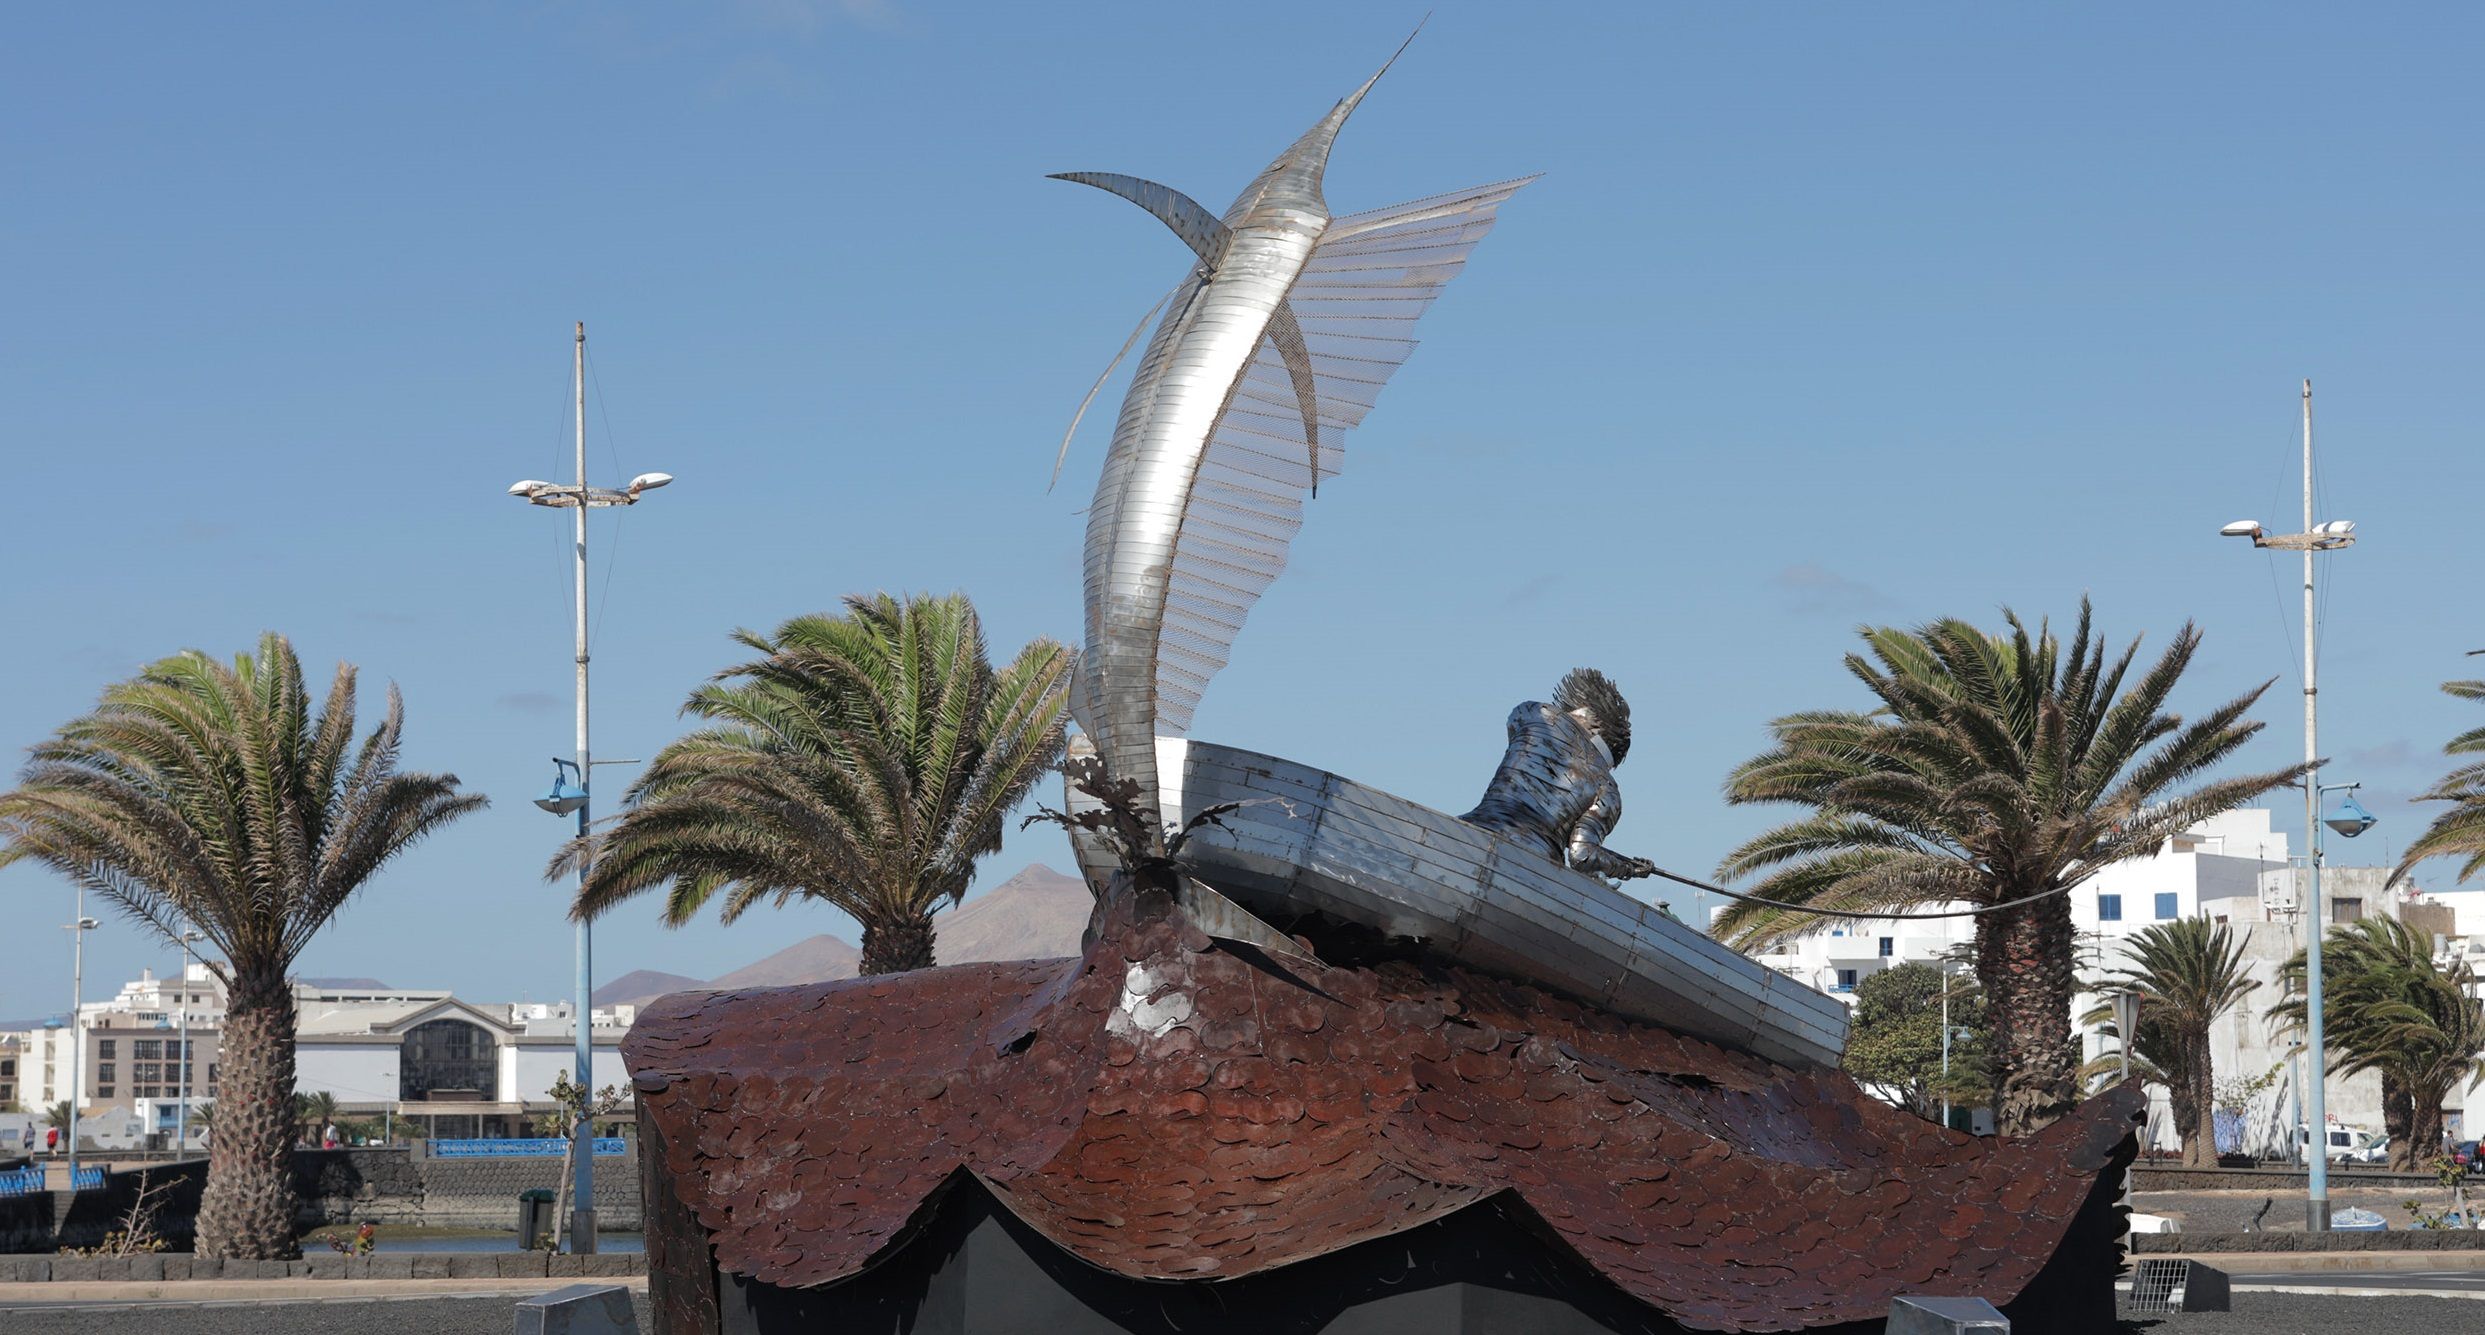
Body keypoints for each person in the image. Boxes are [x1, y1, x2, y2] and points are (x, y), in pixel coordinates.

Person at [1460, 667, 1656, 881]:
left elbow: (1515, 730)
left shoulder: (1530, 713)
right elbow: (1582, 856)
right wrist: (1628, 868)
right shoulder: (1607, 789)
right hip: (1534, 865)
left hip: (1471, 828)